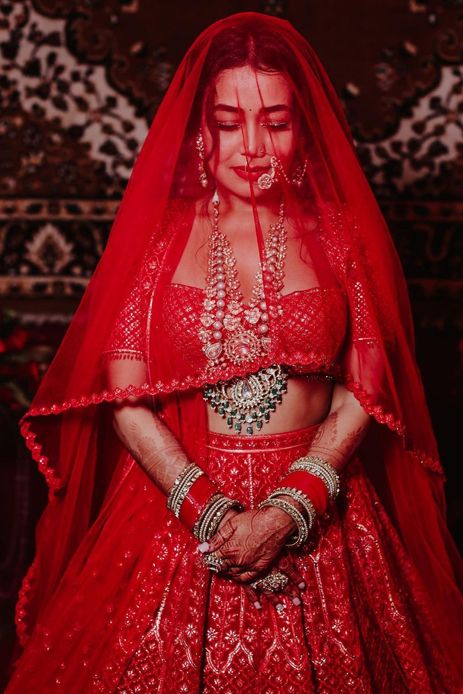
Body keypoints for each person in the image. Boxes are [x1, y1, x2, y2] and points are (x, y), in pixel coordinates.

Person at [6, 12, 463, 693]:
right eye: (228, 122)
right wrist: (211, 516)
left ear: (303, 128)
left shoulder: (340, 237)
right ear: (199, 131)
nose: (252, 146)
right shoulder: (157, 240)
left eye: (275, 123)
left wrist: (290, 508)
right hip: (175, 510)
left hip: (323, 506)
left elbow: (367, 386)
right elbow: (125, 401)